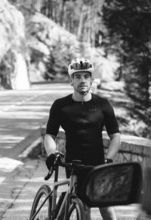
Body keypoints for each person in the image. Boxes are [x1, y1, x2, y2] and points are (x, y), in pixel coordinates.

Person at [44, 58, 121, 220]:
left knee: (107, 209)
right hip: (73, 164)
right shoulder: (60, 105)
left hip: (98, 163)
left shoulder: (103, 104)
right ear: (71, 81)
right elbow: (50, 135)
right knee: (83, 209)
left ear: (91, 80)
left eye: (86, 76)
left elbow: (115, 136)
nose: (82, 80)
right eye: (77, 77)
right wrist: (52, 153)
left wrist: (109, 159)